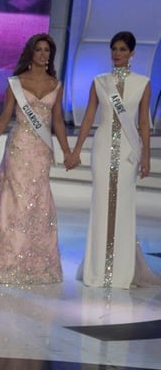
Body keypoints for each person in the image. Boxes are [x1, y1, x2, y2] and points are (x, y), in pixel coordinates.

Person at [0, 33, 70, 285]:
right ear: (31, 53)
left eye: (47, 50)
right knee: (13, 199)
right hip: (19, 146)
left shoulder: (56, 84)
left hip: (41, 150)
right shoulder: (16, 82)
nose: (43, 54)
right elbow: (5, 117)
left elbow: (57, 121)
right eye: (39, 49)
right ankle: (3, 260)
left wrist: (68, 151)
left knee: (37, 199)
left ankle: (33, 261)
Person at [64, 31, 160, 288]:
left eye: (122, 49)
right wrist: (76, 150)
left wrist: (146, 157)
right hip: (103, 146)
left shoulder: (143, 83)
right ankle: (97, 269)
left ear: (132, 53)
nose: (117, 53)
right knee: (101, 203)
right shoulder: (99, 82)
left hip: (129, 150)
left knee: (124, 206)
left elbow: (142, 122)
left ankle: (120, 272)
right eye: (114, 49)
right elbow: (87, 119)